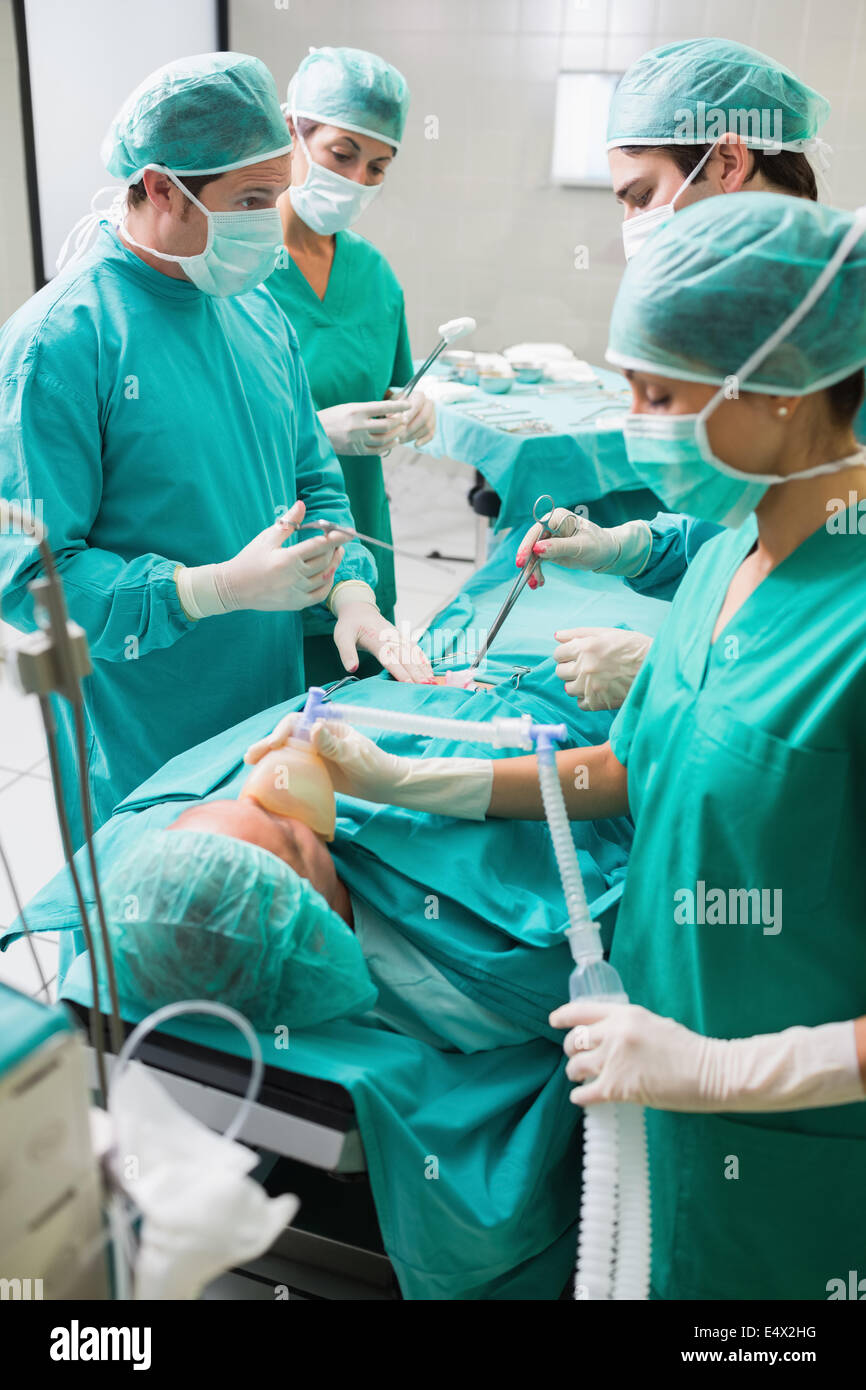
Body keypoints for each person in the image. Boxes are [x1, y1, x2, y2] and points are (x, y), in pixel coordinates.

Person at [271, 194, 866, 1299]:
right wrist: (411, 779)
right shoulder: (731, 552)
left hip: (809, 1159)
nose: (634, 423)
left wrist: (725, 1069)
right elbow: (635, 772)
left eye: (658, 394)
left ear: (784, 394)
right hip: (664, 1102)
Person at [0, 51, 433, 865]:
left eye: (277, 193)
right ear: (161, 187)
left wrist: (349, 596)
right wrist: (207, 590)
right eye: (251, 200)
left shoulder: (254, 310)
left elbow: (313, 473)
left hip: (262, 708)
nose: (273, 222)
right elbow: (31, 580)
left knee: (260, 912)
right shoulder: (60, 342)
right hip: (142, 728)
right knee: (153, 953)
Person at [517, 38, 833, 711]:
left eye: (643, 197)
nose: (632, 227)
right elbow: (747, 535)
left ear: (727, 158)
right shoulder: (744, 312)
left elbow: (836, 587)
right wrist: (627, 547)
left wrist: (687, 667)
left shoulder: (837, 328)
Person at [266, 46, 436, 684]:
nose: (358, 181)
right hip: (267, 545)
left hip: (359, 538)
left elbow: (397, 378)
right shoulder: (236, 273)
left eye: (378, 167)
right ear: (292, 130)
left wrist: (417, 403)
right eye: (342, 155)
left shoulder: (373, 274)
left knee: (353, 729)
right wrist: (315, 430)